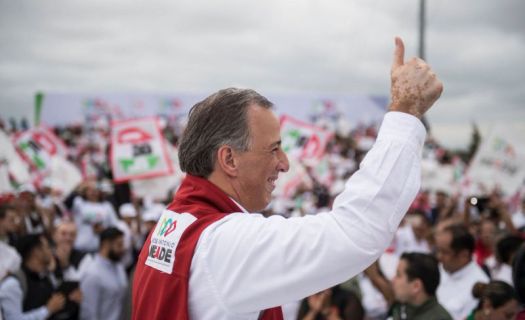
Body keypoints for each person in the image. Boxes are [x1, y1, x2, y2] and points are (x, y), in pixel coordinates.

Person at [132, 37, 443, 319]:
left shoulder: (175, 222)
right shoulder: (223, 242)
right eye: (274, 149)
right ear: (229, 159)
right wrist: (405, 110)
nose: (284, 163)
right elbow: (354, 233)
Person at [0, 234, 76, 320]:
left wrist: (71, 301)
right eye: (47, 247)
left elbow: (56, 308)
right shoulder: (13, 284)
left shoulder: (46, 278)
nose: (51, 251)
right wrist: (46, 310)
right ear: (36, 251)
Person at [435, 224, 489, 320]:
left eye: (445, 252)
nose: (439, 256)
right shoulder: (438, 268)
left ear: (464, 255)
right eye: (438, 250)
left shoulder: (480, 285)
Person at [80, 227, 127, 320]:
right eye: (119, 245)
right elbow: (89, 314)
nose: (123, 249)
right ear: (106, 244)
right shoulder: (93, 274)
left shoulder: (119, 267)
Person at [389, 252, 452, 320]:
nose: (393, 280)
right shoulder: (402, 305)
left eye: (398, 275)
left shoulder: (440, 318)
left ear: (416, 286)